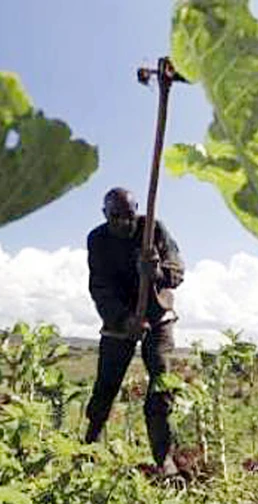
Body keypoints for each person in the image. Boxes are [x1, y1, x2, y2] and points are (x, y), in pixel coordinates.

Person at [83, 187, 185, 474]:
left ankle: (164, 458)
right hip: (119, 321)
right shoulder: (98, 240)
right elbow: (99, 288)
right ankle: (89, 447)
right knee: (106, 384)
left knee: (162, 385)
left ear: (136, 210)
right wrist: (125, 319)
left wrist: (157, 273)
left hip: (158, 317)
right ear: (105, 215)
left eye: (129, 216)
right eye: (115, 217)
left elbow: (178, 271)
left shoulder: (154, 229)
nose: (123, 223)